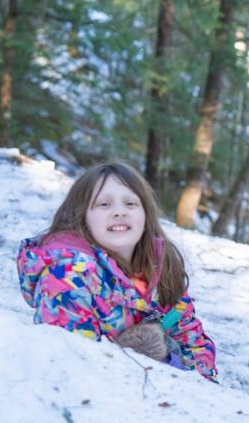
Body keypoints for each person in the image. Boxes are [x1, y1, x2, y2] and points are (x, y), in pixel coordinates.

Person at [16, 162, 217, 381]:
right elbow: (72, 367)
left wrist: (188, 379)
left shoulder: (159, 268)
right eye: (104, 204)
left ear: (145, 215)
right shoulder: (67, 277)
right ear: (81, 217)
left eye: (130, 203)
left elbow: (192, 340)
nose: (119, 212)